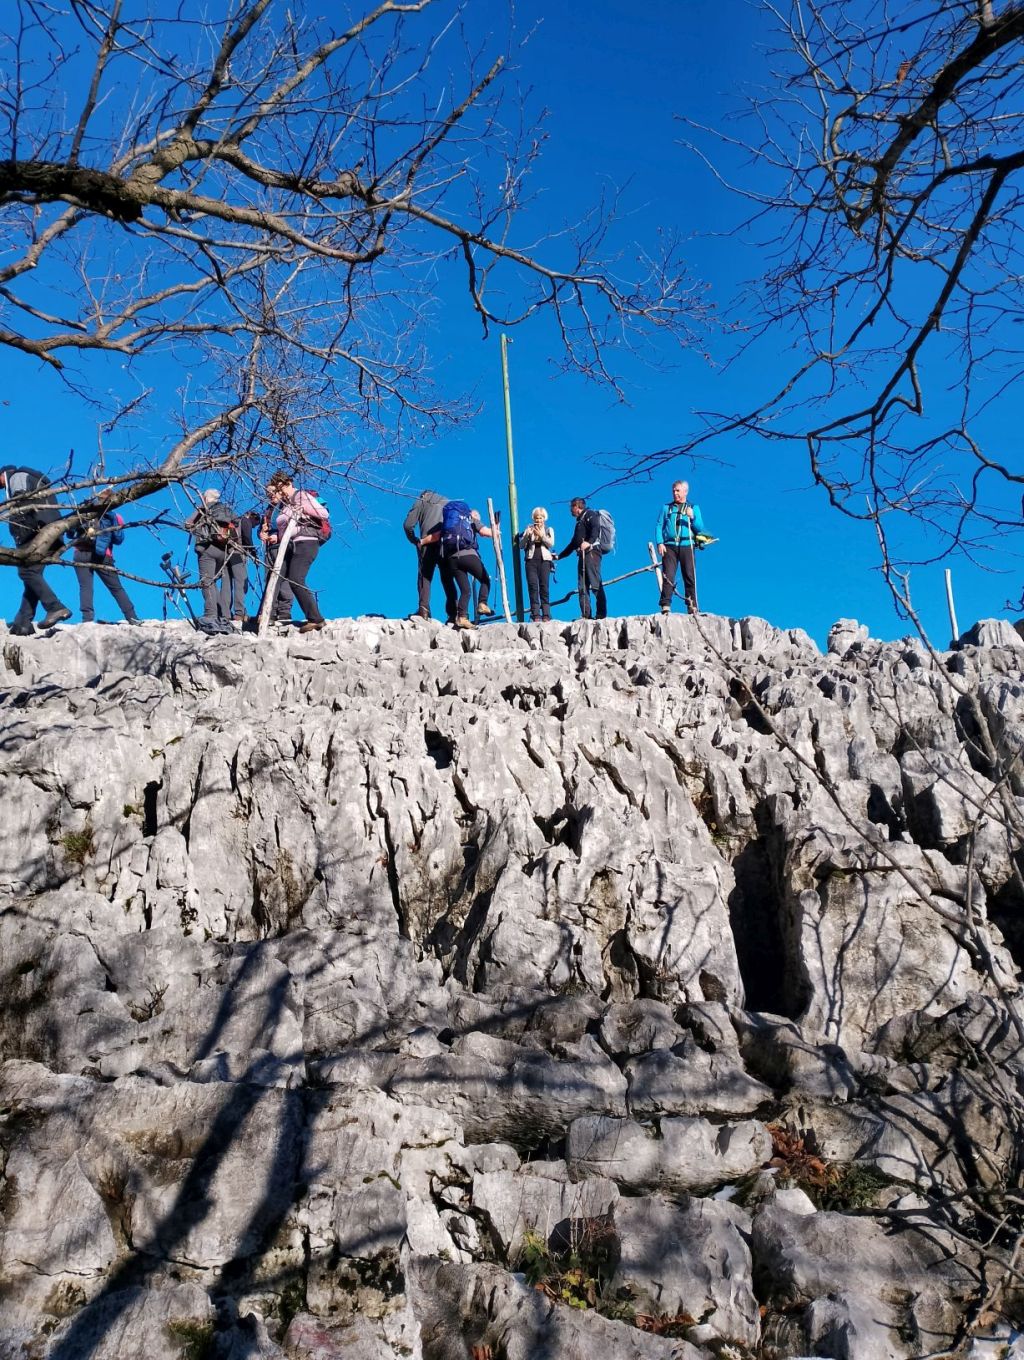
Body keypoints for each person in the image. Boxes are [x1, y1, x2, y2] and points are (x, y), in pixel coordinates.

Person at [0, 464, 72, 636]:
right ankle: (23, 623)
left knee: (26, 572)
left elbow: (22, 506)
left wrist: (20, 536)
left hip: (36, 533)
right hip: (51, 532)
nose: (1, 486)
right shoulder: (35, 479)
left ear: (3, 474)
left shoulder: (16, 477)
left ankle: (55, 607)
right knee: (32, 575)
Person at [265, 471, 328, 633]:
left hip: (306, 542)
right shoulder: (285, 504)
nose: (280, 492)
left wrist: (302, 509)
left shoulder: (300, 496)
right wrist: (275, 535)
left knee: (295, 578)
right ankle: (266, 614)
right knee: (276, 576)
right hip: (290, 545)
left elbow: (323, 513)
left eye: (280, 489)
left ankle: (316, 619)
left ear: (288, 484)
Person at [421, 506, 494, 630]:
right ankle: (482, 603)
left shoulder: (449, 526)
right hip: (468, 555)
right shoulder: (472, 520)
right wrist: (496, 530)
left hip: (452, 560)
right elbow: (485, 532)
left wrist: (421, 541)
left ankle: (462, 617)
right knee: (485, 579)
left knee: (465, 590)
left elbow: (436, 536)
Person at [69, 506, 138, 623]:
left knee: (85, 587)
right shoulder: (115, 516)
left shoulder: (82, 513)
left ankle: (87, 619)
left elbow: (70, 534)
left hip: (80, 553)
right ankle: (132, 617)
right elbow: (119, 539)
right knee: (116, 588)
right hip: (103, 555)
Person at [184, 489, 239, 623]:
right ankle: (221, 613)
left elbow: (187, 524)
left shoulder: (204, 509)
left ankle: (210, 614)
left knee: (207, 581)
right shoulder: (226, 510)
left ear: (205, 498)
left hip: (207, 548)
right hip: (223, 550)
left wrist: (200, 510)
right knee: (213, 582)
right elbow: (236, 524)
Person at [403, 488, 457, 622]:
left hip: (427, 543)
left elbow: (408, 525)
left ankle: (424, 610)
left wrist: (414, 540)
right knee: (447, 578)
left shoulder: (422, 501)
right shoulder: (447, 502)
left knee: (425, 576)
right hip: (447, 543)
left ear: (423, 494)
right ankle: (454, 614)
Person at [655, 479, 706, 615]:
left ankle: (692, 605)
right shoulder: (666, 508)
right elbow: (659, 525)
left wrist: (692, 516)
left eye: (678, 490)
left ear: (685, 491)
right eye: (673, 491)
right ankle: (665, 604)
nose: (675, 493)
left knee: (689, 575)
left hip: (687, 545)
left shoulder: (693, 507)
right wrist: (660, 542)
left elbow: (700, 528)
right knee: (668, 575)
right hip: (669, 546)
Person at [556, 497, 606, 620]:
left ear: (577, 506)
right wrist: (559, 556)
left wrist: (589, 542)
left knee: (595, 582)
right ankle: (586, 615)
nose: (570, 510)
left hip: (592, 553)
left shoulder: (590, 514)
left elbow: (596, 528)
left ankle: (601, 614)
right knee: (582, 585)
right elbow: (574, 543)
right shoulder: (580, 522)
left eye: (571, 507)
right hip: (582, 555)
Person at [256, 484, 295, 624]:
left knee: (284, 579)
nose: (271, 495)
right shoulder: (268, 510)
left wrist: (278, 536)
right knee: (269, 578)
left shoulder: (286, 506)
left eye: (273, 492)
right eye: (268, 493)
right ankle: (270, 612)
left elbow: (292, 525)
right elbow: (262, 528)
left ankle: (284, 612)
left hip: (284, 546)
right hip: (270, 548)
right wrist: (261, 533)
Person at [517, 506, 556, 622]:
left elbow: (551, 543)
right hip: (531, 561)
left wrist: (542, 535)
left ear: (544, 518)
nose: (538, 520)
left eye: (540, 518)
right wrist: (527, 535)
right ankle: (535, 614)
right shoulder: (529, 529)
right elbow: (521, 545)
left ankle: (546, 614)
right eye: (537, 518)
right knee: (533, 587)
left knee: (544, 587)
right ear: (534, 518)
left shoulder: (548, 529)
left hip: (545, 561)